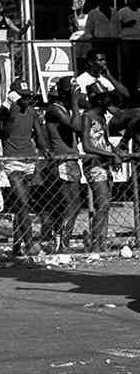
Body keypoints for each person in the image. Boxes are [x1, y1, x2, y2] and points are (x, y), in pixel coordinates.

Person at [0, 80, 51, 258]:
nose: (28, 99)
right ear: (15, 96)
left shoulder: (32, 112)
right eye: (24, 96)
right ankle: (29, 244)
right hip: (13, 160)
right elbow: (5, 130)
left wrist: (43, 148)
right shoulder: (5, 111)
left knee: (21, 205)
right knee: (23, 203)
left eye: (29, 96)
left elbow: (38, 133)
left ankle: (16, 244)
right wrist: (12, 105)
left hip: (29, 160)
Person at [42, 77, 83, 254]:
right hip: (63, 161)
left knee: (70, 204)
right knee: (72, 204)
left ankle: (61, 241)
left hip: (70, 159)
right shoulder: (54, 110)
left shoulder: (63, 109)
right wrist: (75, 102)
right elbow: (77, 126)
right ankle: (62, 243)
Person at [81, 87, 122, 253]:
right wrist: (110, 155)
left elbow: (104, 141)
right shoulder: (87, 117)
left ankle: (101, 243)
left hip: (105, 163)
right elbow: (87, 146)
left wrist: (116, 151)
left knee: (105, 205)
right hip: (93, 164)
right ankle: (96, 244)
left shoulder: (102, 117)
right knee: (102, 204)